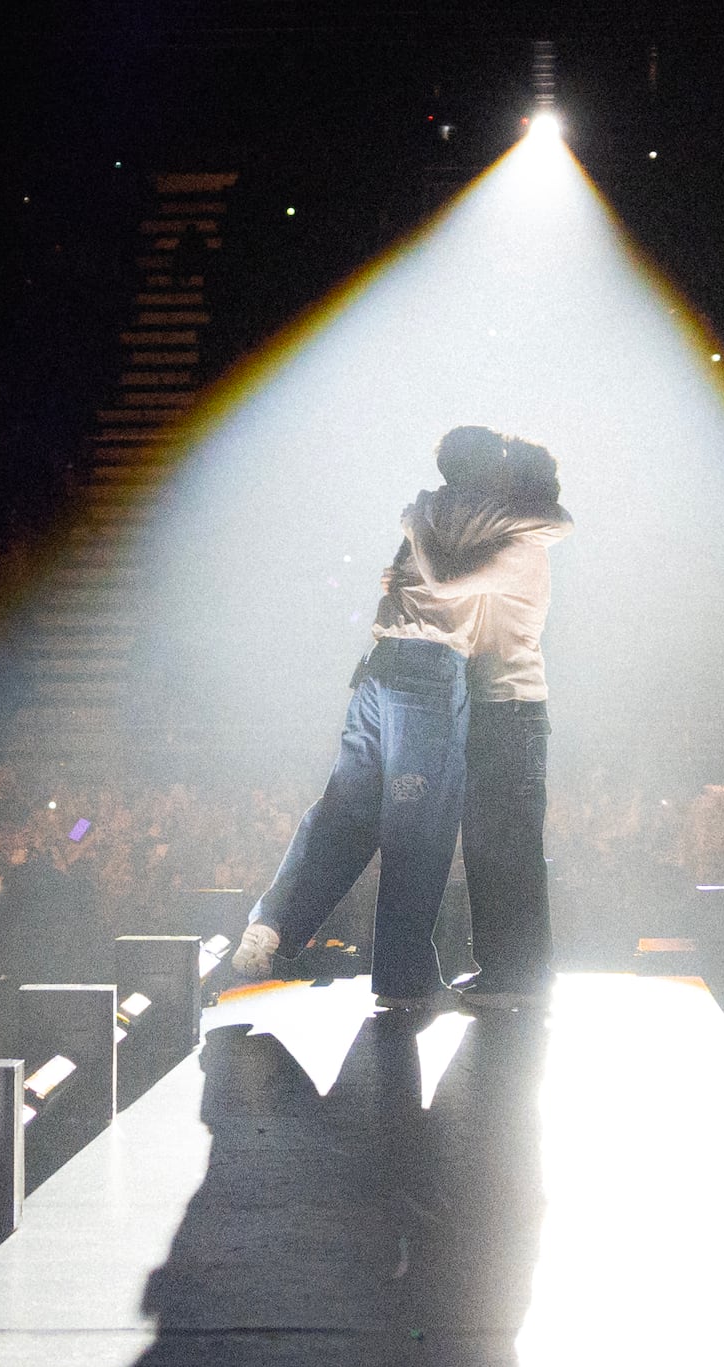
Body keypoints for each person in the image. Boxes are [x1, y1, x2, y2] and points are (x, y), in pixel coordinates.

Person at [227, 428, 565, 1007]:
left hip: (407, 675)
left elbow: (441, 579)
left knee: (348, 813)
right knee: (420, 832)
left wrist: (409, 535)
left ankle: (277, 924)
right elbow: (448, 584)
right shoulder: (488, 524)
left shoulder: (460, 521)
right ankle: (407, 978)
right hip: (432, 681)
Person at [453, 434, 569, 1006]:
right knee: (487, 844)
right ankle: (503, 968)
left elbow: (448, 581)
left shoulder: (521, 546)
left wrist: (418, 524)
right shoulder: (520, 537)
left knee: (512, 848)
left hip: (512, 708)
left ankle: (521, 974)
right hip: (498, 708)